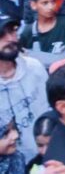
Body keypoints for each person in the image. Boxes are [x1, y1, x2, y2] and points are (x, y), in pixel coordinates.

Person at [0, 13, 50, 162]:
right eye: (2, 34)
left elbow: (50, 109)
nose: (11, 38)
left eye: (13, 31)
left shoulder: (34, 67)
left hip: (46, 156)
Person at [20, 0, 65, 68]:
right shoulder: (28, 31)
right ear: (33, 5)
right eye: (45, 3)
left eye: (53, 2)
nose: (51, 7)